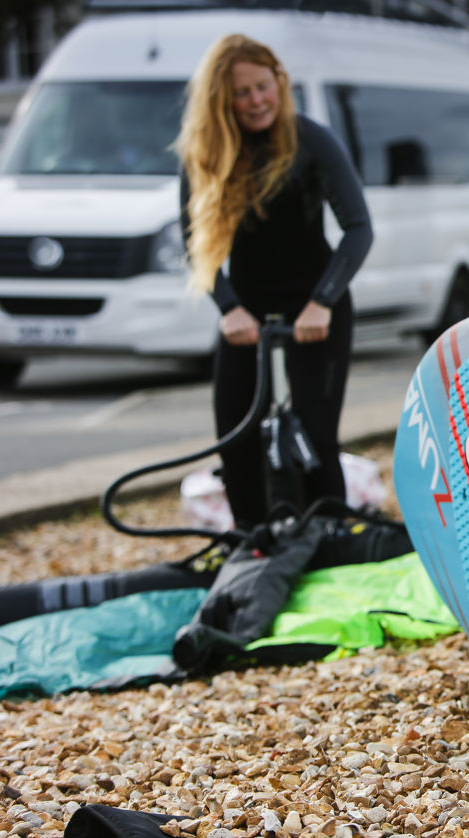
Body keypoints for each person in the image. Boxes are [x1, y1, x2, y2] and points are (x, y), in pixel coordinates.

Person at [175, 34, 372, 528]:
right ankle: (251, 542)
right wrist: (229, 308)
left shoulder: (311, 140)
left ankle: (328, 541)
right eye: (242, 93)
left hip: (317, 306)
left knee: (315, 435)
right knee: (236, 437)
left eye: (264, 86)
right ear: (222, 102)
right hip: (247, 308)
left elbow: (358, 230)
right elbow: (193, 239)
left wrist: (323, 301)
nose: (257, 100)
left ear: (279, 83)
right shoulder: (207, 152)